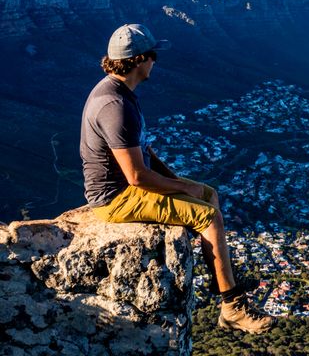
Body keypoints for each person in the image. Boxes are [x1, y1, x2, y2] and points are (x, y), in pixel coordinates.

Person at [80, 23, 272, 334]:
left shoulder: (121, 92)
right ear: (140, 60)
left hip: (127, 186)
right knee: (207, 217)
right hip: (115, 198)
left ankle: (225, 278)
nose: (155, 61)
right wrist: (183, 187)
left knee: (208, 194)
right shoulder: (115, 105)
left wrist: (179, 181)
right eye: (153, 55)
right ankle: (232, 306)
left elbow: (142, 149)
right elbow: (136, 176)